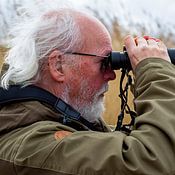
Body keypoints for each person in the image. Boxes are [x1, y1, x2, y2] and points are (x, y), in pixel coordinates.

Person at [0, 6, 175, 175]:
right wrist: (155, 71)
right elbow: (153, 161)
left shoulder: (64, 128)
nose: (111, 75)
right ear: (58, 65)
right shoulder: (33, 148)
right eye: (104, 62)